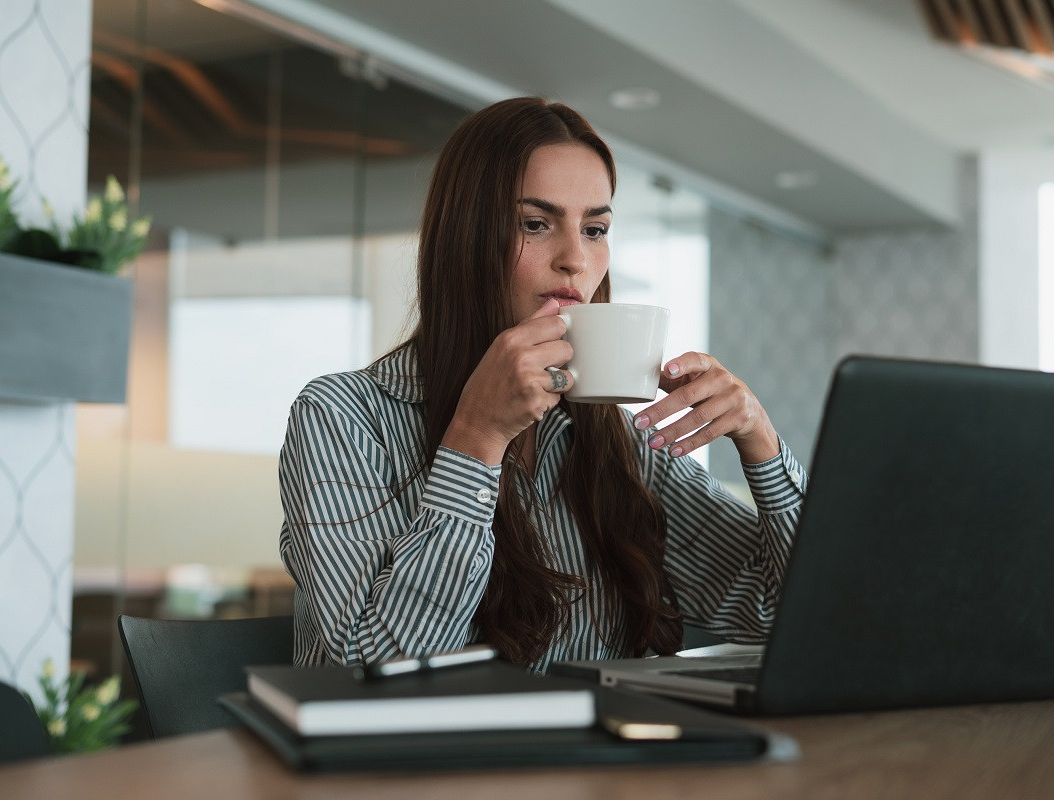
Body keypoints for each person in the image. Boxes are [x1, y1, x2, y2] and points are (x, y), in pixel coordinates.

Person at [277, 96, 808, 674]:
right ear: (465, 239)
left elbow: (791, 613)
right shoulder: (342, 417)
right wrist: (476, 439)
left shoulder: (624, 444)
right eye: (535, 224)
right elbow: (374, 669)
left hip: (601, 735)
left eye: (595, 229)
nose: (575, 259)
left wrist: (760, 442)